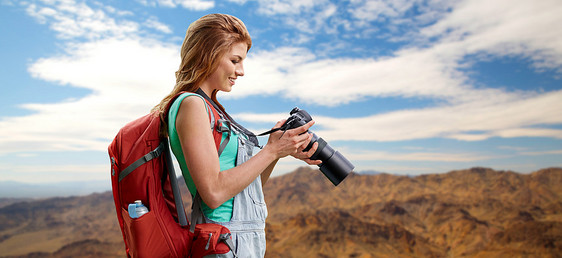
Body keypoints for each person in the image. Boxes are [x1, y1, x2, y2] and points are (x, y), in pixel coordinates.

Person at [152, 13, 321, 257]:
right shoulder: (192, 105)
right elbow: (214, 193)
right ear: (208, 54)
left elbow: (249, 189)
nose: (241, 71)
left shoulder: (213, 108)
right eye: (235, 60)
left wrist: (276, 151)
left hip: (241, 239)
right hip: (224, 240)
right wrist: (272, 150)